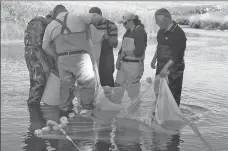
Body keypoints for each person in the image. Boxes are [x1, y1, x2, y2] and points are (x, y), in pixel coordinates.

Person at [42, 5, 110, 116]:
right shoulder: (77, 16)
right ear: (65, 11)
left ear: (55, 14)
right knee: (87, 87)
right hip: (81, 59)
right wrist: (101, 20)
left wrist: (57, 56)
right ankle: (86, 117)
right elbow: (96, 17)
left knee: (65, 89)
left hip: (63, 60)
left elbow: (45, 47)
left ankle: (65, 118)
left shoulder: (51, 25)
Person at [151, 8, 187, 107]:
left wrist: (166, 68)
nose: (157, 24)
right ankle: (159, 117)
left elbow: (176, 55)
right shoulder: (161, 32)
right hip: (160, 66)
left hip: (174, 70)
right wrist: (154, 59)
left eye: (158, 21)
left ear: (166, 19)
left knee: (171, 96)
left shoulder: (178, 33)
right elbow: (159, 45)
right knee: (158, 93)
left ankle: (171, 118)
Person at [114, 12, 147, 101]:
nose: (124, 25)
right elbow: (122, 48)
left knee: (133, 91)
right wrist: (118, 60)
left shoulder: (140, 32)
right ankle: (116, 109)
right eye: (123, 23)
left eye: (125, 23)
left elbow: (139, 52)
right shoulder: (128, 32)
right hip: (123, 64)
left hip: (134, 66)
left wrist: (125, 54)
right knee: (117, 87)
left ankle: (135, 112)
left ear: (131, 21)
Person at [24, 13, 53, 104]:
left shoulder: (40, 23)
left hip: (32, 56)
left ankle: (35, 111)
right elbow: (36, 46)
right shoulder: (39, 23)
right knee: (38, 84)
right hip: (35, 57)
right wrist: (43, 63)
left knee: (37, 83)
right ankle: (34, 112)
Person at [89, 7, 118, 87]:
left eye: (95, 17)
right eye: (91, 17)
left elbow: (115, 44)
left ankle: (109, 99)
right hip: (91, 59)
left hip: (106, 59)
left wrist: (108, 37)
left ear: (101, 15)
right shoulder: (87, 26)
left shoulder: (110, 25)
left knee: (108, 85)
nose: (93, 19)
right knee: (91, 85)